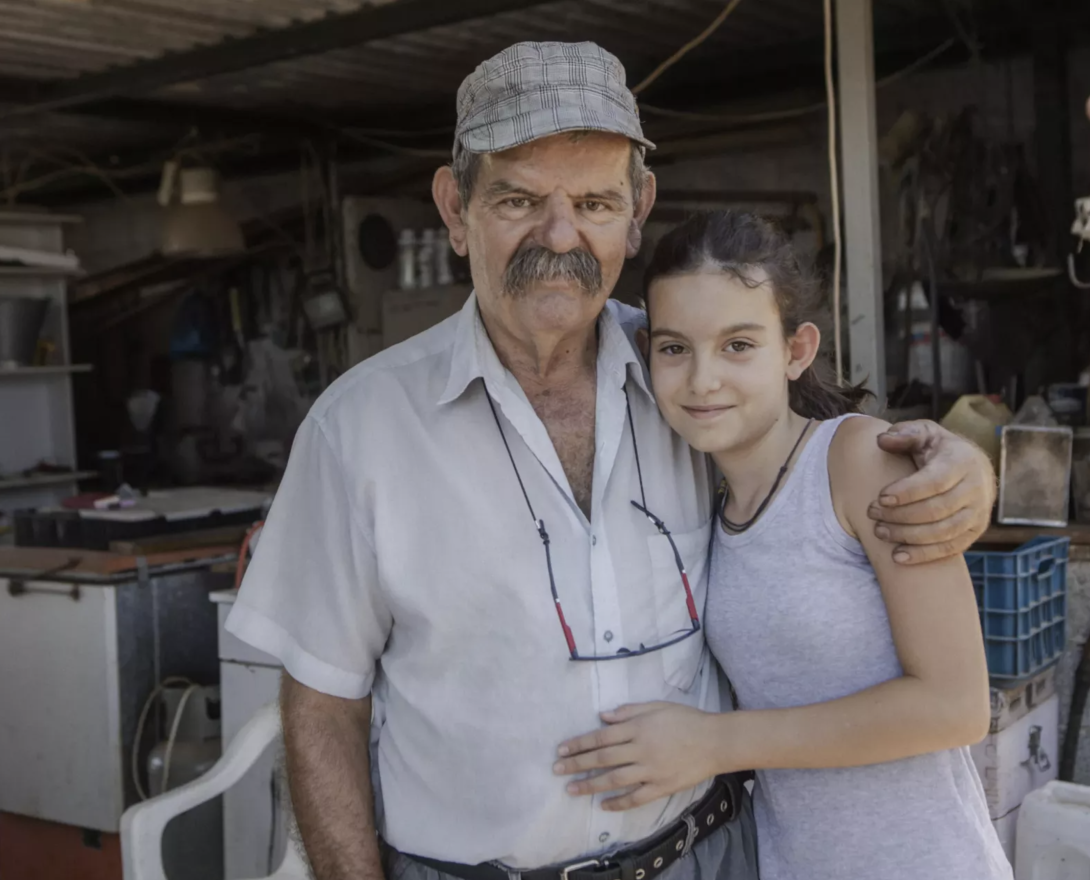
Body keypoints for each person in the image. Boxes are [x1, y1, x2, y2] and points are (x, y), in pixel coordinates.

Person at [227, 42, 996, 880]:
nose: (560, 235)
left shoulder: (683, 373)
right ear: (455, 209)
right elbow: (322, 706)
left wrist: (964, 464)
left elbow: (819, 445)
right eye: (519, 198)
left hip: (709, 856)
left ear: (638, 211)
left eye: (594, 201)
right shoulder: (358, 429)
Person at [553, 211, 1011, 880]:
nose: (704, 379)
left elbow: (956, 706)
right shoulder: (697, 492)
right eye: (676, 348)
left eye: (738, 345)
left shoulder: (859, 462)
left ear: (796, 350)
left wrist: (714, 744)